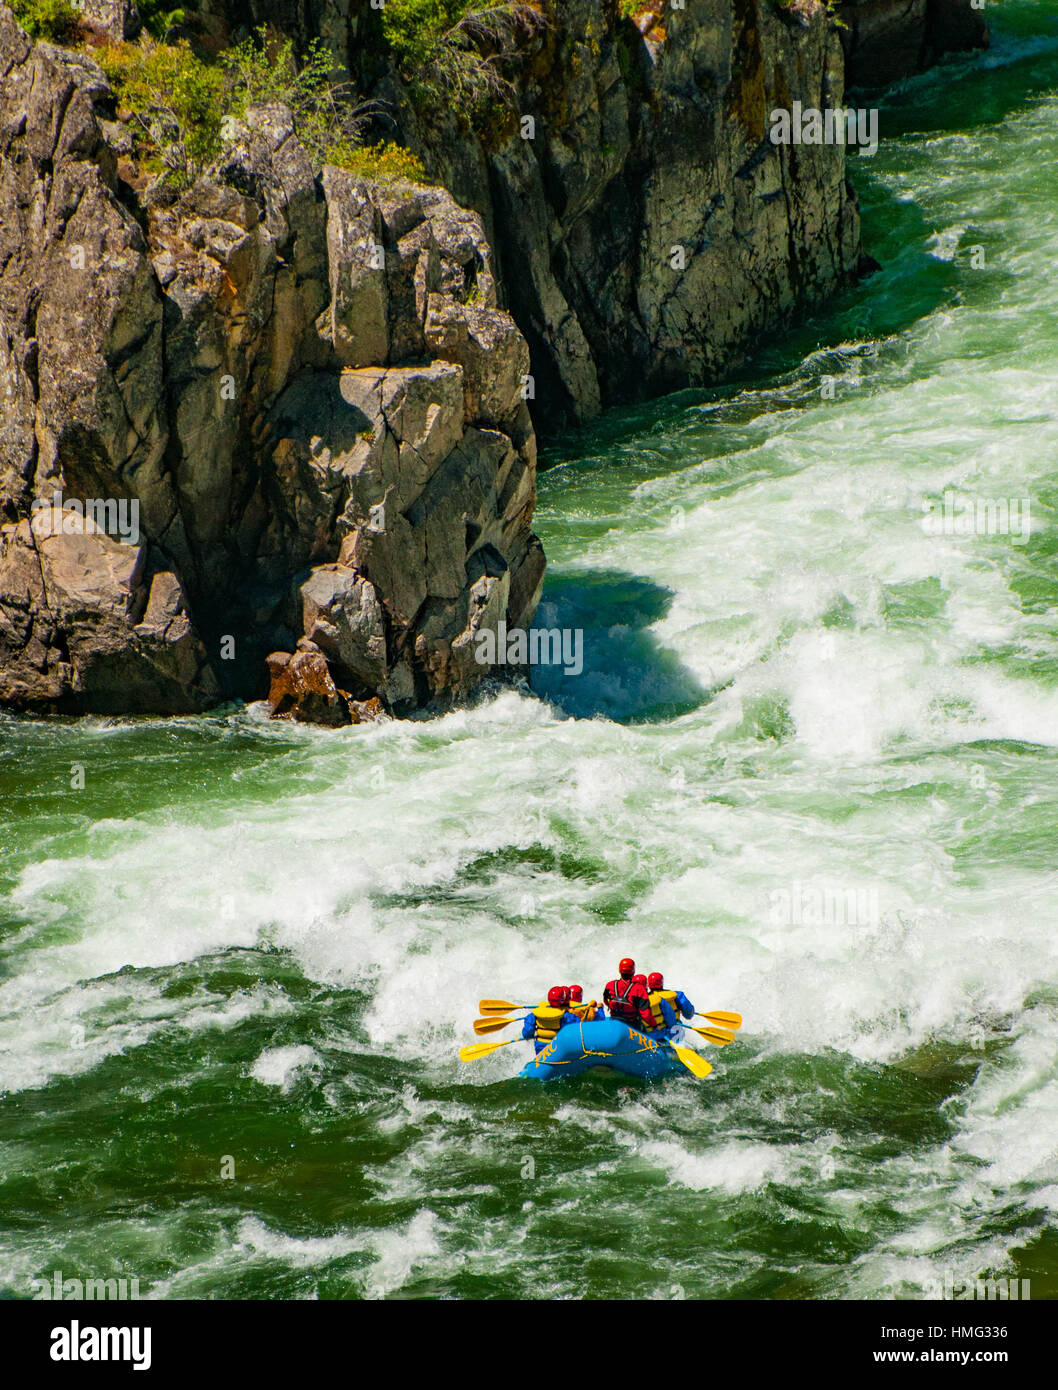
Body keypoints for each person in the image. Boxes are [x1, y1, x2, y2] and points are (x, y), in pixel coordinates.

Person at [522, 986, 580, 1053]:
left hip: (539, 1048)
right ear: (562, 1000)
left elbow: (527, 1032)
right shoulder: (566, 1016)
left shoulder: (535, 1014)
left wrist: (530, 1036)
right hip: (557, 1048)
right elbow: (577, 1029)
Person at [603, 958, 654, 1033]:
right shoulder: (639, 989)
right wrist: (654, 1026)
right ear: (633, 971)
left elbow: (606, 1001)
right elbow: (646, 1014)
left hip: (614, 1020)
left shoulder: (609, 985)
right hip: (632, 1025)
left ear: (620, 970)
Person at [645, 972, 695, 1039]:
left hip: (653, 1034)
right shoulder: (678, 995)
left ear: (648, 984)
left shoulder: (644, 1000)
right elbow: (688, 1015)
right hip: (675, 1032)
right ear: (662, 982)